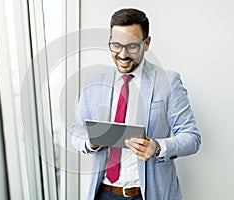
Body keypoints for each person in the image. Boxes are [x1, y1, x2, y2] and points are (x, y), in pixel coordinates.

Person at [70, 8, 201, 200]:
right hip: (103, 193)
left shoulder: (168, 82)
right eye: (116, 45)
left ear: (146, 43)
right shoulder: (93, 81)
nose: (122, 55)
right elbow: (76, 131)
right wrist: (90, 141)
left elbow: (192, 137)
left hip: (148, 194)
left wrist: (158, 147)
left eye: (131, 46)